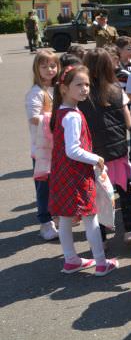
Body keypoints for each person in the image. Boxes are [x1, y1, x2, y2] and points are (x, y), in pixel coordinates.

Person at [48, 65, 118, 276]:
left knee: (66, 218)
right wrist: (96, 158)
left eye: (86, 84)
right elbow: (73, 150)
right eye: (78, 84)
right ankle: (100, 262)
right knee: (90, 217)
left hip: (62, 173)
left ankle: (71, 259)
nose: (85, 89)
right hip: (76, 174)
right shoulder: (72, 116)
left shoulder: (64, 112)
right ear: (64, 89)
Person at [79, 49, 131, 245]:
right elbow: (129, 122)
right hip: (118, 151)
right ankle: (130, 230)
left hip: (94, 155)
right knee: (125, 192)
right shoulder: (116, 89)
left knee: (100, 198)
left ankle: (102, 238)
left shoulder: (81, 95)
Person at [25, 50, 59, 240]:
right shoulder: (35, 93)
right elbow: (33, 118)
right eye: (44, 66)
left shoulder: (58, 88)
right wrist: (56, 118)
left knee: (58, 183)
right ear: (37, 69)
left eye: (53, 65)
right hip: (42, 150)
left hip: (59, 147)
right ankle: (45, 222)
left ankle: (58, 216)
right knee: (44, 187)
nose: (49, 70)